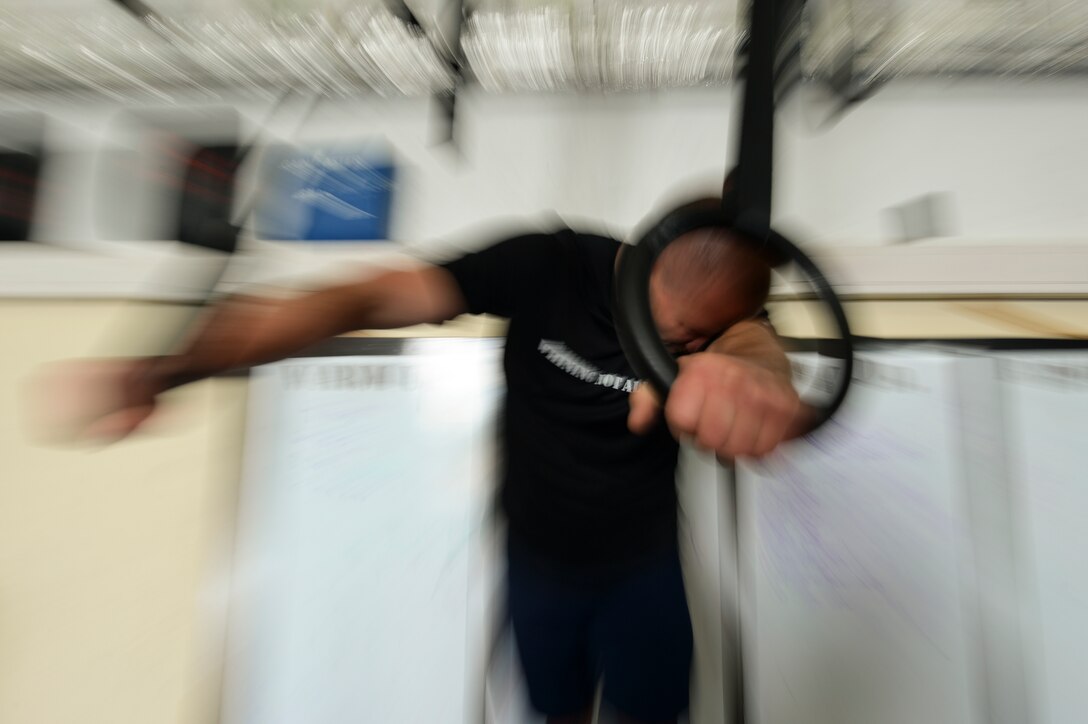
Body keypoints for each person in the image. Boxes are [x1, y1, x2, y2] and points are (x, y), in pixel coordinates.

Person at [54, 205, 803, 724]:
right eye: (656, 321)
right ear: (635, 261)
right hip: (537, 561)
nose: (669, 351)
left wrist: (753, 369)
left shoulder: (730, 328)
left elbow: (758, 353)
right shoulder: (548, 265)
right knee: (557, 709)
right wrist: (167, 371)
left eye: (691, 342)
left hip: (643, 565)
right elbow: (364, 297)